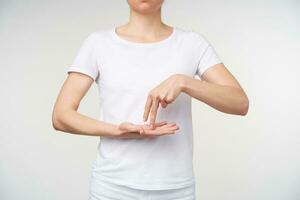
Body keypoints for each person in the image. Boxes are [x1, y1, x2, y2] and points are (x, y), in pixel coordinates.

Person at [52, 0, 249, 199]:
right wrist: (119, 132)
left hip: (176, 190)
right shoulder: (98, 43)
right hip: (112, 188)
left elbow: (240, 103)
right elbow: (61, 116)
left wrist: (184, 82)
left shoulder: (192, 43)